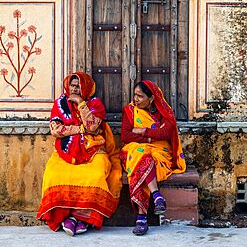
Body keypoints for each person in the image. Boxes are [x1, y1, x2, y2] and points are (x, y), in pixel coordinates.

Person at [37, 72, 122, 236]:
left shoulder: (95, 104)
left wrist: (81, 104)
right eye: (72, 85)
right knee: (54, 173)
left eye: (79, 86)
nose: (74, 89)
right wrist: (79, 129)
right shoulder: (60, 103)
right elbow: (56, 130)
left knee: (95, 174)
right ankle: (65, 217)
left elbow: (92, 128)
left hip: (94, 150)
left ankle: (82, 218)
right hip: (65, 151)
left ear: (87, 89)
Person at [120, 80, 186, 236]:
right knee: (142, 157)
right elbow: (125, 136)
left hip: (160, 152)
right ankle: (156, 196)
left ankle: (141, 217)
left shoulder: (164, 112)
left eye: (140, 96)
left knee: (143, 163)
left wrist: (142, 131)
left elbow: (165, 133)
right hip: (134, 150)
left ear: (151, 99)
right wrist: (150, 138)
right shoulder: (130, 111)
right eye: (135, 95)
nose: (135, 99)